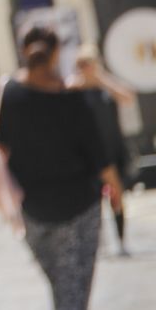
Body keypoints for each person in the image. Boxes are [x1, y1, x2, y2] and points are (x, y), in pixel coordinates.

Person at [0, 26, 114, 310]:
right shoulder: (71, 96)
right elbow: (96, 150)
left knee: (63, 288)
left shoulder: (9, 93)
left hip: (32, 209)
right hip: (79, 205)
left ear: (23, 51)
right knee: (73, 291)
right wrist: (116, 187)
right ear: (56, 53)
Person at [69, 46, 135, 256]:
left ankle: (121, 240)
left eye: (89, 64)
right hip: (87, 155)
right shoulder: (74, 90)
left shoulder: (106, 87)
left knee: (117, 196)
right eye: (82, 65)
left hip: (112, 148)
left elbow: (127, 98)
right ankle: (98, 244)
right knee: (92, 200)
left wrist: (101, 78)